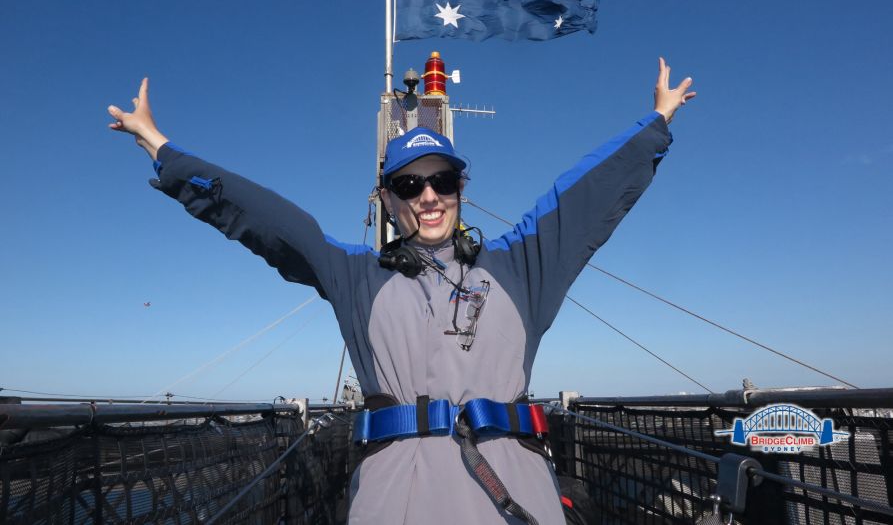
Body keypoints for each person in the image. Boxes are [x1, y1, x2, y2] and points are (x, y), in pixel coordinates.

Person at [108, 58, 694, 524]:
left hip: (514, 503)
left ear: (461, 187)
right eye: (409, 184)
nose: (428, 196)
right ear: (388, 199)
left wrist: (655, 126)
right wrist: (165, 150)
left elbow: (584, 201)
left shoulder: (522, 268)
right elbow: (272, 223)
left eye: (442, 180)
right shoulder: (357, 277)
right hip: (397, 505)